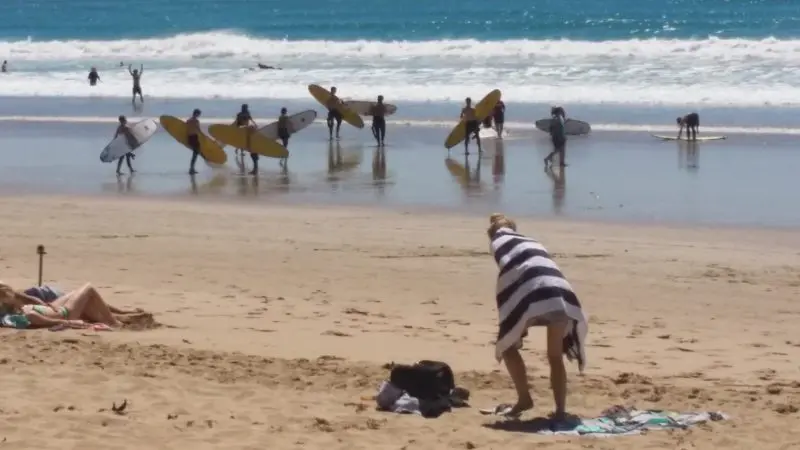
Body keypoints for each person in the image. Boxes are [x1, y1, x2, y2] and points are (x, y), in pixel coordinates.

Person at [485, 213, 587, 420]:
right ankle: (560, 410)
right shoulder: (531, 242)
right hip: (560, 293)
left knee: (507, 346)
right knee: (555, 356)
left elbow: (512, 275)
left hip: (533, 294)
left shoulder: (499, 242)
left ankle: (524, 398)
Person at [0, 282, 125, 329]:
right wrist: (67, 323)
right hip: (65, 313)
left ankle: (107, 318)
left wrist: (46, 305)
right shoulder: (13, 315)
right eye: (9, 294)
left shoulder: (13, 308)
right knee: (88, 288)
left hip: (53, 308)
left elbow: (28, 299)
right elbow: (32, 316)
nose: (14, 295)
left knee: (76, 294)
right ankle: (113, 322)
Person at [233, 104, 259, 175]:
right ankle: (255, 169)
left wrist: (234, 130)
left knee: (243, 143)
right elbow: (251, 120)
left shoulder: (240, 114)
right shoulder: (246, 114)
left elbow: (236, 123)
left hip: (243, 130)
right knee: (246, 144)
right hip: (246, 130)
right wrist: (255, 125)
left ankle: (239, 149)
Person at [187, 108, 203, 175]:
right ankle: (191, 169)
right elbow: (198, 130)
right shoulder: (196, 121)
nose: (199, 115)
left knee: (195, 154)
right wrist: (204, 136)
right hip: (194, 138)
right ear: (196, 114)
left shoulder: (188, 121)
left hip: (190, 138)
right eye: (199, 114)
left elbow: (186, 129)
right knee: (195, 154)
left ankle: (192, 168)